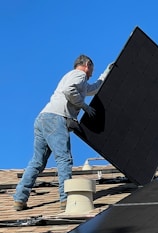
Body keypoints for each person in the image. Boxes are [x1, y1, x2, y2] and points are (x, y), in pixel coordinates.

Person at [13, 54, 113, 211]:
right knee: (64, 159)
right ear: (87, 64)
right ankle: (66, 200)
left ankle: (19, 199)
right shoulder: (79, 74)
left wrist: (106, 73)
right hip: (56, 118)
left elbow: (92, 89)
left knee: (37, 162)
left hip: (43, 118)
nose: (92, 73)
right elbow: (69, 90)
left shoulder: (73, 77)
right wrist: (84, 106)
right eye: (92, 69)